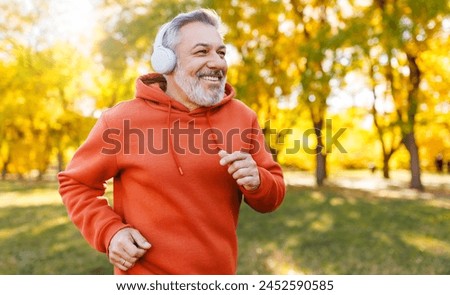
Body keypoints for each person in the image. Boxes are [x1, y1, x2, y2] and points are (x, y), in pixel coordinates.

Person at [58, 8, 285, 274]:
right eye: (202, 52)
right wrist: (110, 232)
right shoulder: (120, 120)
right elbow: (76, 183)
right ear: (167, 61)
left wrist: (258, 180)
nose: (218, 63)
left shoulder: (242, 117)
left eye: (221, 53)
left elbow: (272, 196)